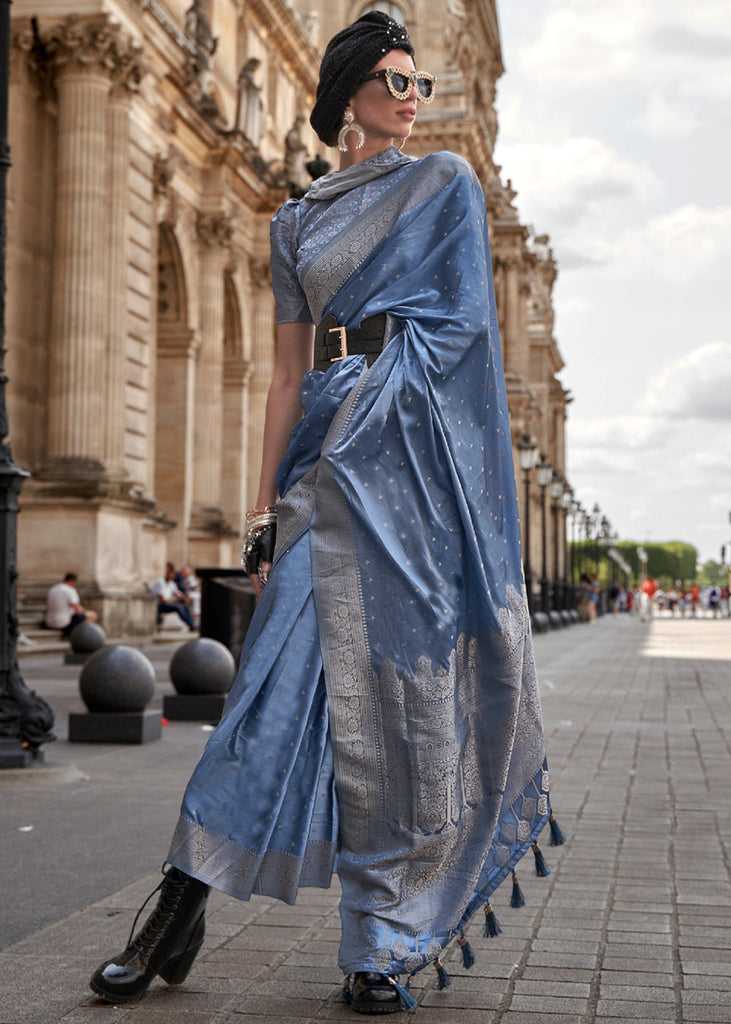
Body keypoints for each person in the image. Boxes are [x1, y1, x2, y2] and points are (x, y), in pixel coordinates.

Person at [90, 13, 556, 1014]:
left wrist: (396, 397)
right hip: (329, 468)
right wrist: (263, 508)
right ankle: (175, 910)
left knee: (400, 706)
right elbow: (285, 376)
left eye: (417, 82)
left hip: (413, 474)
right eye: (391, 79)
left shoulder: (444, 186)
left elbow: (465, 332)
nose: (409, 96)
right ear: (345, 94)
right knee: (260, 693)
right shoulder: (294, 224)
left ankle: (380, 945)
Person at [150, 563, 195, 631]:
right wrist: (175, 603)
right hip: (160, 605)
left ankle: (192, 623)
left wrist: (185, 599)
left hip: (168, 602)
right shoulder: (160, 582)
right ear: (168, 573)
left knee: (185, 604)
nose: (173, 576)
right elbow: (162, 599)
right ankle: (190, 624)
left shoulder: (171, 583)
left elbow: (177, 594)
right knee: (178, 607)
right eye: (172, 574)